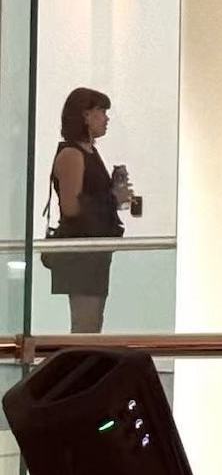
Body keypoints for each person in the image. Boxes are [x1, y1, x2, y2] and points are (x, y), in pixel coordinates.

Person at [45, 87, 129, 333]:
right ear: (84, 116)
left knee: (92, 324)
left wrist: (113, 195)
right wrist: (112, 198)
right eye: (100, 111)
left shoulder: (89, 151)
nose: (106, 118)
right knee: (86, 325)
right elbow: (70, 207)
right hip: (81, 253)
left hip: (93, 252)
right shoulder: (72, 153)